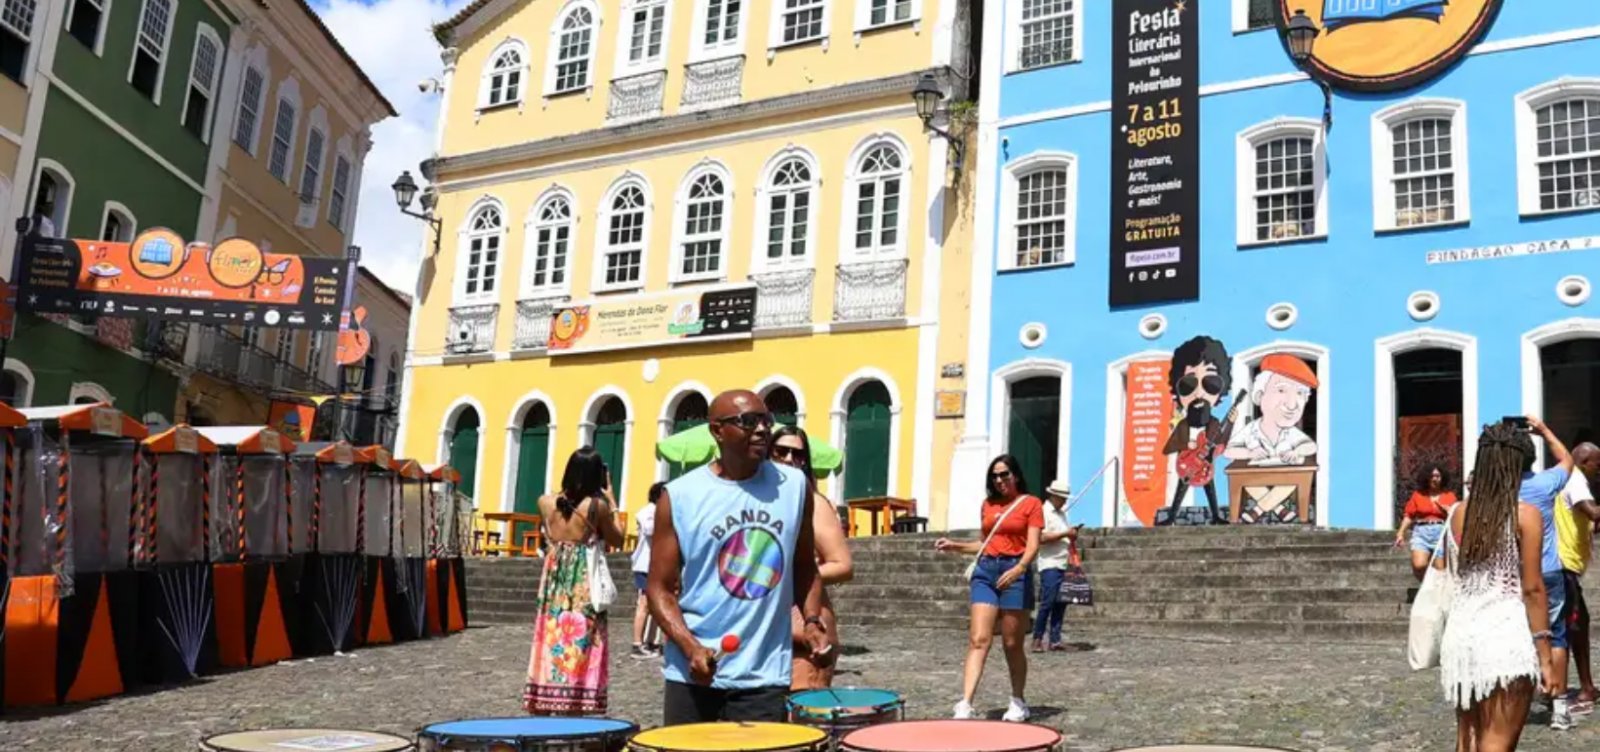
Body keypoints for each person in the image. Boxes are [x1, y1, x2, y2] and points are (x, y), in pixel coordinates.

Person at [646, 390, 829, 725]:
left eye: (766, 421)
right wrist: (690, 647)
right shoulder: (681, 496)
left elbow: (804, 565)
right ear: (717, 430)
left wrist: (813, 619)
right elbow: (659, 588)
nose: (761, 429)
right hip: (692, 672)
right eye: (748, 421)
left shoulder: (794, 487)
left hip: (764, 674)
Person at [1439, 420, 1561, 752]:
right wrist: (1546, 658)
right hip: (1505, 639)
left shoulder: (1457, 514)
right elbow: (1533, 589)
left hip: (1462, 638)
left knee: (1468, 741)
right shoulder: (1525, 515)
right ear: (1519, 470)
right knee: (1497, 745)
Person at [935, 454, 1043, 722]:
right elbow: (983, 543)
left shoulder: (1031, 504)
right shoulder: (988, 505)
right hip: (985, 571)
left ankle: (1018, 701)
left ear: (1015, 475)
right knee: (978, 639)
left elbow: (1033, 545)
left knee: (1011, 643)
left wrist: (1018, 569)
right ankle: (966, 702)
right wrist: (955, 546)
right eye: (994, 476)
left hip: (1015, 572)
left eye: (1004, 474)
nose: (999, 480)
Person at [523, 447, 625, 716]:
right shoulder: (596, 506)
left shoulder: (544, 501)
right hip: (582, 576)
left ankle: (547, 693)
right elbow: (618, 539)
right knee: (583, 635)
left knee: (553, 631)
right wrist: (612, 500)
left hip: (555, 576)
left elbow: (549, 534)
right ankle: (576, 698)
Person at [770, 424, 853, 689]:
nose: (789, 460)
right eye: (780, 451)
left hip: (805, 616)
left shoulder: (813, 503)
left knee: (802, 717)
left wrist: (786, 576)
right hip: (767, 619)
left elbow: (843, 566)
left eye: (798, 455)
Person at [1517, 416, 1578, 730]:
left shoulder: (1497, 490)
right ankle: (1559, 705)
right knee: (1555, 635)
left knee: (1519, 638)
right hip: (1548, 570)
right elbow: (1568, 460)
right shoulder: (1544, 484)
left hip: (1512, 574)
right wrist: (1543, 430)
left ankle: (1520, 702)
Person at [1159, 336, 1236, 525]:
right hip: (1187, 463)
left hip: (1205, 466)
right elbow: (1172, 444)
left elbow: (1220, 445)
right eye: (1188, 385)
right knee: (1181, 488)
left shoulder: (1214, 423)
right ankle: (1172, 516)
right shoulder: (1183, 425)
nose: (1200, 393)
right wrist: (1187, 444)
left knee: (1210, 488)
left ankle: (1216, 515)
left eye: (1210, 383)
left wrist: (1231, 424)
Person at [1554, 443, 1600, 717]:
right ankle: (1579, 688)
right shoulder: (1576, 480)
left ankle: (1585, 686)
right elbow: (1592, 513)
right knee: (1574, 628)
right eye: (1597, 464)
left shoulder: (1566, 478)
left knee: (1576, 625)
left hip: (1565, 564)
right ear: (1583, 461)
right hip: (1563, 565)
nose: (1599, 470)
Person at [1031, 480, 1079, 653]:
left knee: (1061, 603)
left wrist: (1070, 534)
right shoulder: (1043, 513)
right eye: (1062, 498)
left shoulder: (1061, 515)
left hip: (1062, 561)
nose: (1065, 501)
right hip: (1050, 563)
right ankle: (1037, 638)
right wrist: (1064, 533)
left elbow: (1061, 535)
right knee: (1047, 602)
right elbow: (1041, 537)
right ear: (1054, 496)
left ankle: (1055, 639)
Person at [1395, 464, 1461, 581]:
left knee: (1441, 570)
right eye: (1432, 476)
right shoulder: (1418, 495)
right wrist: (1400, 533)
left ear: (1442, 478)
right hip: (1422, 532)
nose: (1435, 479)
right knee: (1419, 565)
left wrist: (1450, 511)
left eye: (1437, 476)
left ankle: (1436, 591)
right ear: (1426, 478)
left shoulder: (1449, 496)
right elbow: (1409, 515)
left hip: (1441, 533)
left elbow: (1457, 517)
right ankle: (1425, 585)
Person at [630, 482, 665, 659]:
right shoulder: (647, 511)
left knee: (657, 605)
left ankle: (652, 641)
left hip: (659, 564)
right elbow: (651, 530)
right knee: (643, 604)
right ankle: (637, 643)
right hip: (645, 565)